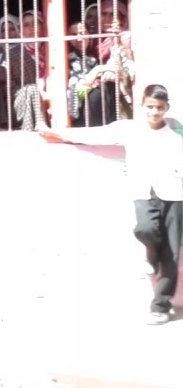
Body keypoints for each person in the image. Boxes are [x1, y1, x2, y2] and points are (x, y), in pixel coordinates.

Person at [41, 84, 183, 325]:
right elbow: (96, 134)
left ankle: (160, 306)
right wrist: (58, 133)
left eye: (159, 108)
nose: (154, 112)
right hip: (144, 193)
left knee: (171, 253)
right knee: (145, 229)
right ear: (142, 105)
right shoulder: (130, 130)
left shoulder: (175, 137)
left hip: (175, 195)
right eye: (150, 107)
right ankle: (151, 256)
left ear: (166, 108)